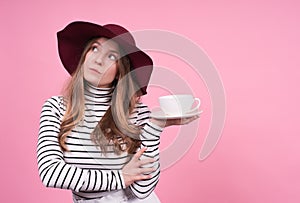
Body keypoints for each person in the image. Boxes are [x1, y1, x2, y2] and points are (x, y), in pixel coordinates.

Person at [37, 21, 199, 203]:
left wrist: (155, 127)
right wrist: (121, 177)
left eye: (111, 56)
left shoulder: (137, 113)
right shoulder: (56, 108)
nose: (98, 59)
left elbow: (142, 191)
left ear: (120, 70)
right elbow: (50, 172)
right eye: (94, 48)